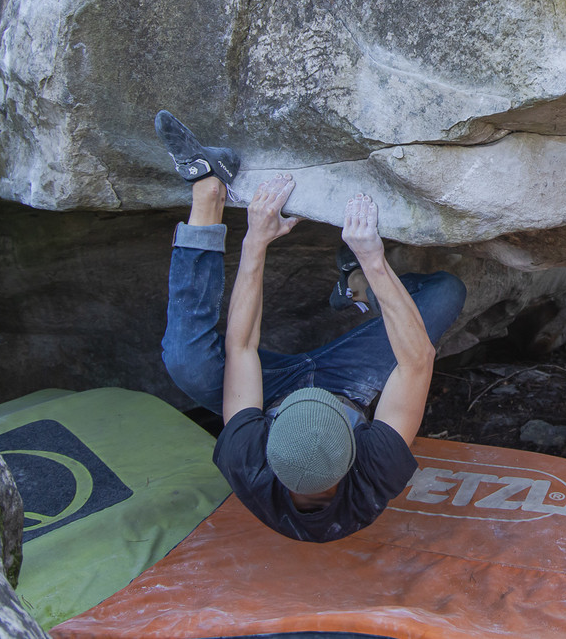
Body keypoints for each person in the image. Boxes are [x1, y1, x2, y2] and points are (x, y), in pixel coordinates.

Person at [154, 111, 465, 542]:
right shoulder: (377, 469)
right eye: (323, 407)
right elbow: (417, 361)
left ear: (268, 436)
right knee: (445, 292)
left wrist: (256, 239)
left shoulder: (247, 459)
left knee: (185, 361)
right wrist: (372, 258)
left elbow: (242, 347)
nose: (310, 392)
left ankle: (208, 190)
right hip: (348, 385)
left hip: (270, 390)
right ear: (353, 448)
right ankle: (355, 282)